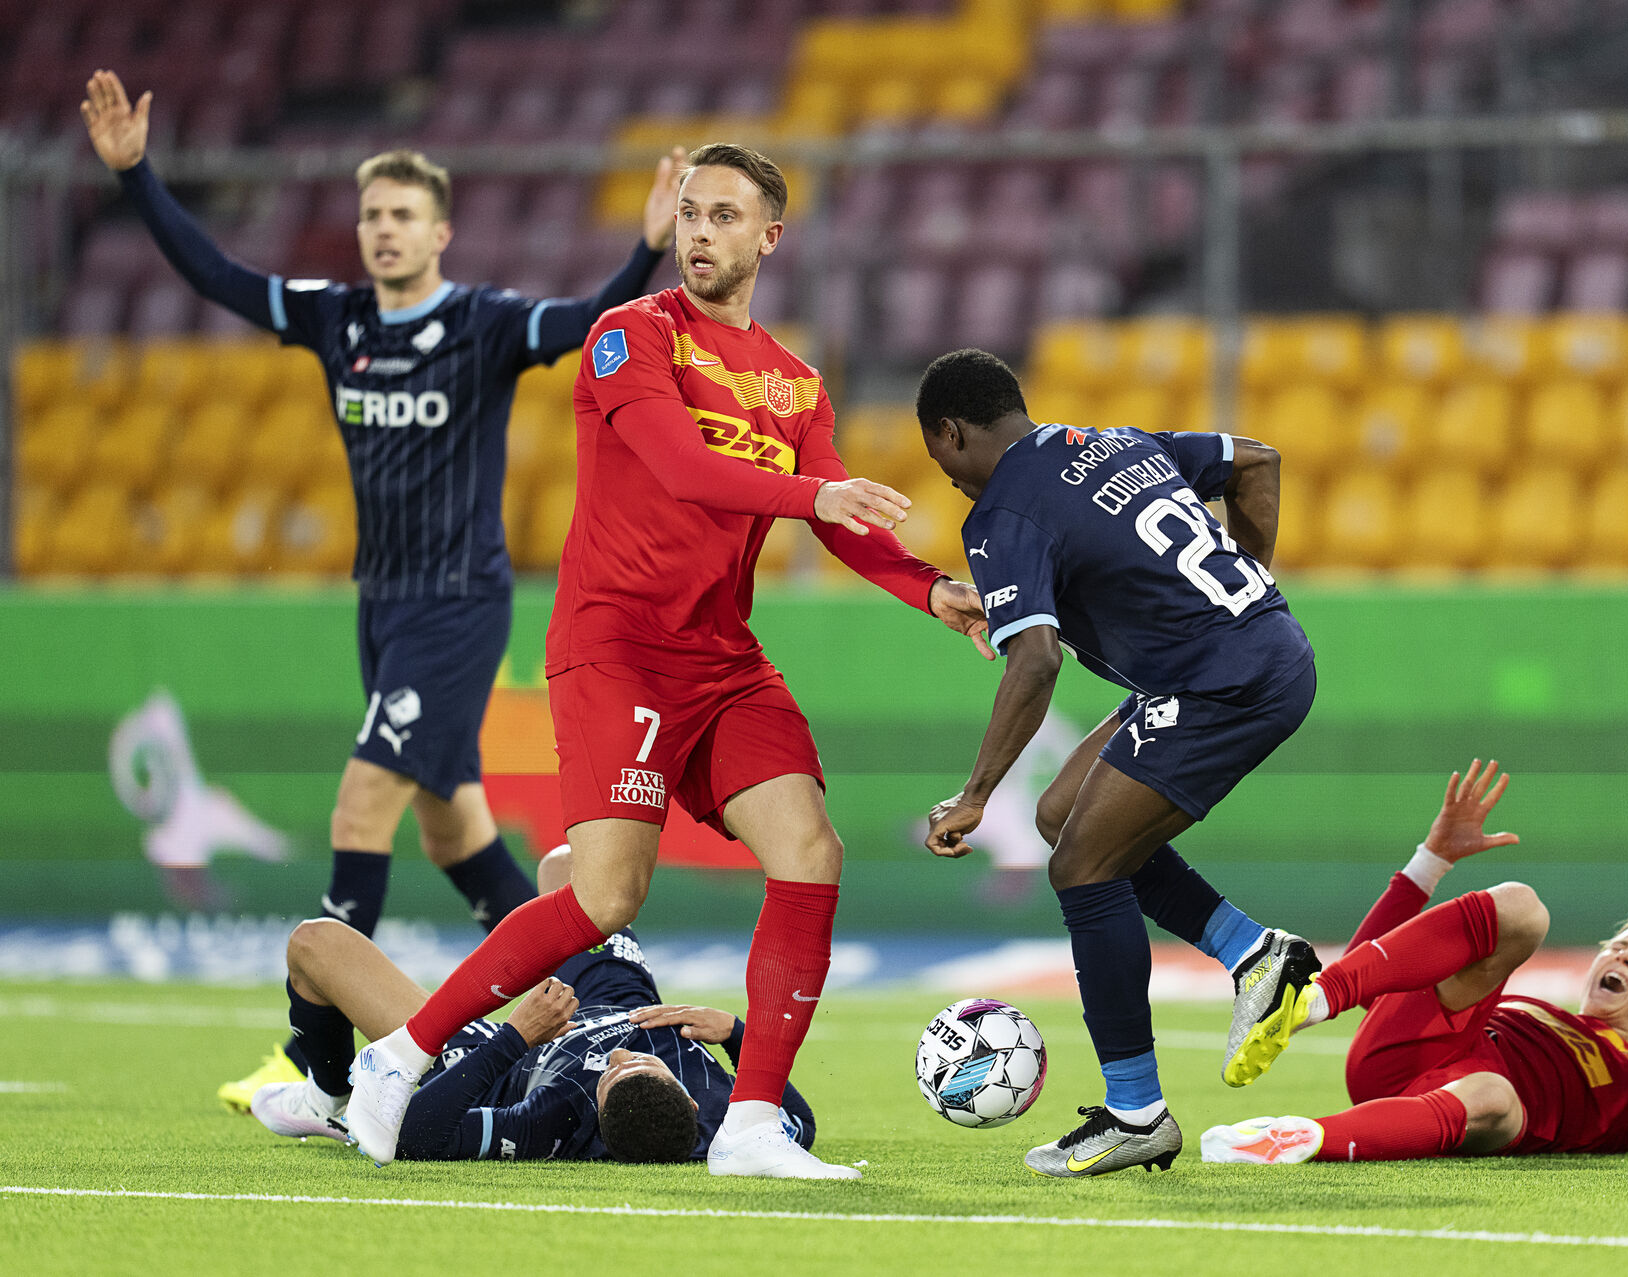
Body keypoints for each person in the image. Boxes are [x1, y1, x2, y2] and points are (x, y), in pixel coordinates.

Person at [341, 144, 990, 1177]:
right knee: (607, 897)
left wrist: (929, 589)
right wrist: (815, 494)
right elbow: (687, 470)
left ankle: (751, 1123)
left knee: (811, 850)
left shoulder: (796, 382)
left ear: (769, 238)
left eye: (725, 216)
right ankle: (401, 1051)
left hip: (721, 657)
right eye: (690, 212)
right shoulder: (627, 337)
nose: (698, 232)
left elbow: (838, 520)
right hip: (618, 647)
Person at [79, 71, 686, 1113]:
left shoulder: (486, 324)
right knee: (455, 834)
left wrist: (643, 249)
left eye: (404, 215)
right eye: (371, 216)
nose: (384, 231)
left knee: (364, 799)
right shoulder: (338, 318)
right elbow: (220, 276)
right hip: (383, 605)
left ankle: (311, 1062)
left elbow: (591, 320)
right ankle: (586, 992)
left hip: (457, 602)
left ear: (442, 232)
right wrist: (137, 178)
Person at [916, 348, 1321, 1178]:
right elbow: (1256, 460)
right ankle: (1256, 954)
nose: (951, 480)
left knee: (1082, 867)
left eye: (940, 458)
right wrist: (1246, 582)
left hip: (1222, 681)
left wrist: (974, 794)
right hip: (1252, 650)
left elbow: (1033, 660)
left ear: (950, 434)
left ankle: (1136, 1111)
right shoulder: (1113, 440)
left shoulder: (1000, 515)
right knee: (1064, 814)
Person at [1201, 762, 1628, 1165]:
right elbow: (1379, 979)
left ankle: (1295, 1137)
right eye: (1620, 944)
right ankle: (1312, 999)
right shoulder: (1533, 1011)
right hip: (1411, 1051)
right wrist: (1430, 862)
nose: (1622, 954)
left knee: (1495, 1095)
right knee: (1524, 909)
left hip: (1468, 1106)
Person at [251, 846, 814, 1163]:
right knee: (571, 867)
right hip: (619, 998)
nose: (621, 1060)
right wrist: (735, 1031)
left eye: (612, 1077)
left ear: (597, 1111)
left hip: (507, 1048)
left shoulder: (553, 1120)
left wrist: (514, 1038)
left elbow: (414, 1136)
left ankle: (329, 1096)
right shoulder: (718, 1123)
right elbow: (799, 1124)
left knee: (314, 945)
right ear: (691, 1105)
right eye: (643, 1066)